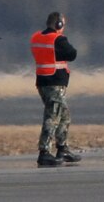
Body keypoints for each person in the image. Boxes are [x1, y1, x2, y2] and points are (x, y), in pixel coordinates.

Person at [30, 11, 80, 168]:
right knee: (52, 118)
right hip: (54, 84)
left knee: (64, 116)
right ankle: (44, 153)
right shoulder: (58, 39)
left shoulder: (36, 37)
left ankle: (62, 148)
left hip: (43, 82)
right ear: (58, 24)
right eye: (63, 23)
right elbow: (72, 54)